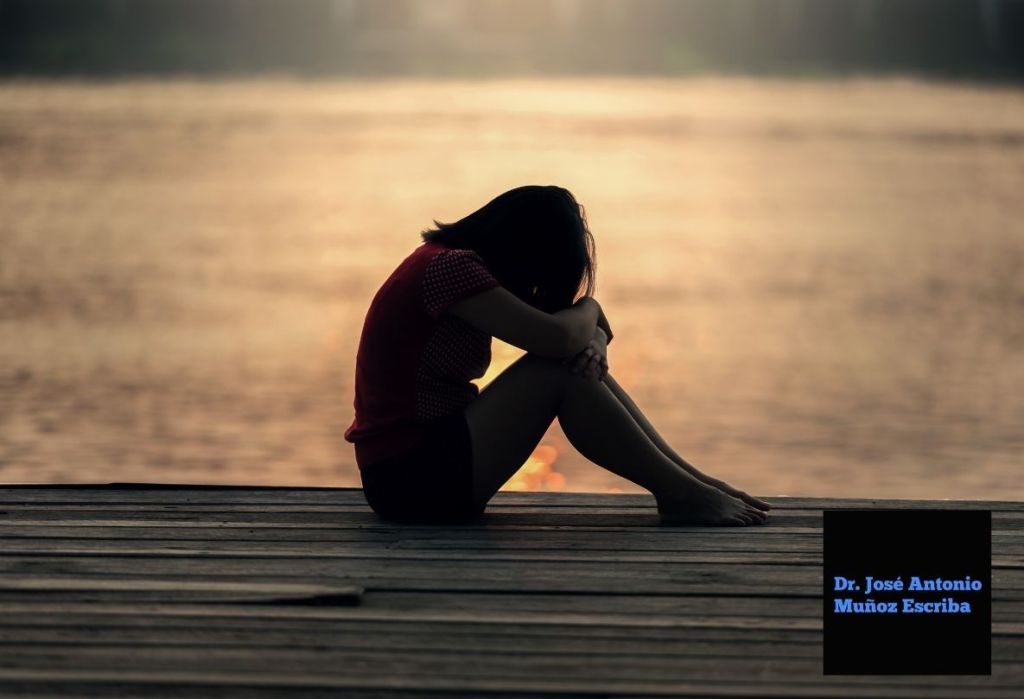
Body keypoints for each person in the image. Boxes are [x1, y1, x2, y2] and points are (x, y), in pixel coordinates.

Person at [344, 185, 770, 526]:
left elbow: (572, 335)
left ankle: (691, 484)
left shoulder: (447, 265)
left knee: (565, 364)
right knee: (557, 370)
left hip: (419, 470)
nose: (534, 289)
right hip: (410, 478)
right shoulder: (450, 269)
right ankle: (682, 493)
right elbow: (559, 337)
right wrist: (590, 309)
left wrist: (594, 338)